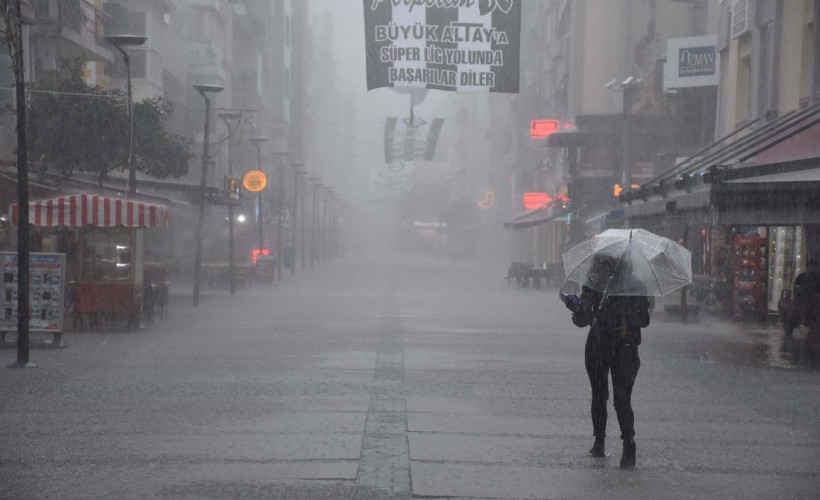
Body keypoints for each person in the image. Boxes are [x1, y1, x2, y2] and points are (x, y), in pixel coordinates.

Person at [563, 253, 651, 469]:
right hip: (625, 347)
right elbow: (644, 320)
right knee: (622, 399)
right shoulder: (636, 285)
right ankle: (627, 445)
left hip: (601, 345)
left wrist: (573, 306)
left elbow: (582, 318)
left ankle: (600, 441)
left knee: (600, 395)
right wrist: (626, 320)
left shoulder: (595, 282)